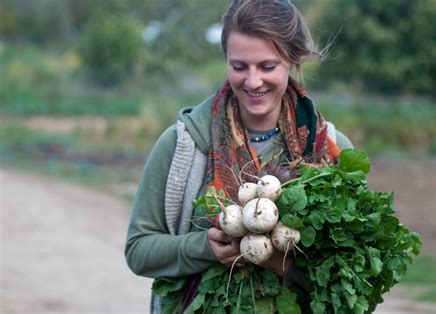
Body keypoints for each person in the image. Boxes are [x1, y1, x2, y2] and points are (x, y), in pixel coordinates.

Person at [125, 0, 352, 312]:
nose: (253, 81)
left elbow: (351, 271)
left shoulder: (330, 150)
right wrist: (203, 247)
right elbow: (138, 250)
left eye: (267, 66)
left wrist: (280, 263)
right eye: (239, 66)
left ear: (293, 60)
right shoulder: (184, 144)